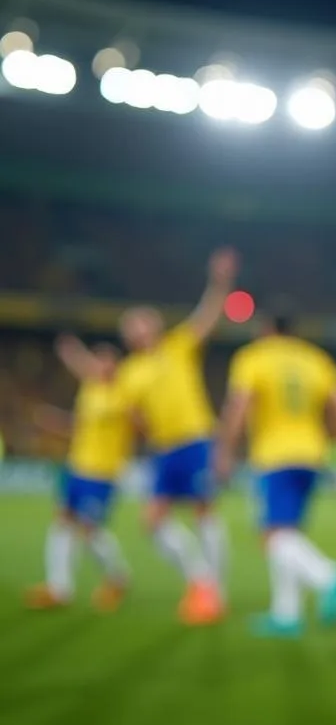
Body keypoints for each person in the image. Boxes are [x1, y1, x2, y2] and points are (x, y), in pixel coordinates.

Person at [214, 313, 336, 637]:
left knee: (272, 536)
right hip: (312, 454)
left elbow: (239, 405)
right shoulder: (313, 358)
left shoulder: (254, 357)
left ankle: (328, 576)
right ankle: (286, 614)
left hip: (274, 455)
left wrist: (224, 451)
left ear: (266, 329)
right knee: (288, 531)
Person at [117, 247, 239, 625]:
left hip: (197, 439)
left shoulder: (178, 345)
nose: (139, 327)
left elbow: (207, 316)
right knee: (152, 521)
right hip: (164, 449)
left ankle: (214, 591)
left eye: (143, 320)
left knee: (204, 512)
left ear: (154, 326)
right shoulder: (129, 373)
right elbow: (132, 417)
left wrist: (220, 282)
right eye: (132, 324)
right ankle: (201, 581)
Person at [25, 335, 132, 612]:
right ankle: (59, 588)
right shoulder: (90, 390)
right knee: (63, 521)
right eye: (98, 361)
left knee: (89, 529)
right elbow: (80, 427)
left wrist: (74, 353)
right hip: (77, 467)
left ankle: (117, 577)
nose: (101, 367)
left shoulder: (125, 393)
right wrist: (56, 422)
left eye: (107, 361)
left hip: (103, 473)